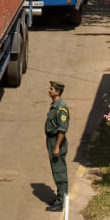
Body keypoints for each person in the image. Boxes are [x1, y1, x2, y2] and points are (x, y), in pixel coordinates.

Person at [45, 81, 69, 212]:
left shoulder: (61, 108)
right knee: (56, 171)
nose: (49, 90)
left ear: (57, 92)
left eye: (51, 89)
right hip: (52, 141)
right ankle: (59, 198)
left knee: (59, 172)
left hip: (56, 141)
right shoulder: (55, 105)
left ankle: (61, 203)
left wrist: (57, 147)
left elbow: (62, 129)